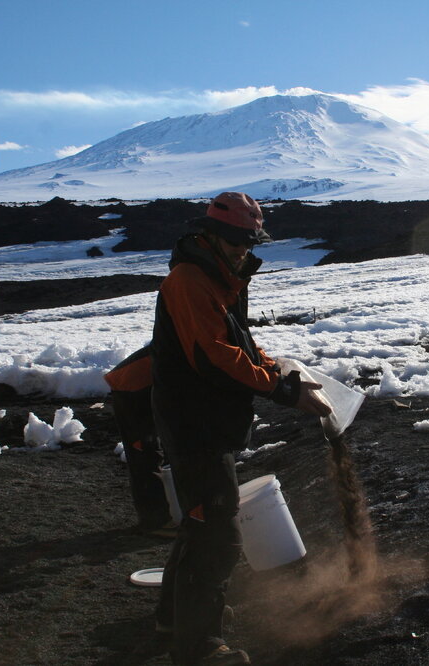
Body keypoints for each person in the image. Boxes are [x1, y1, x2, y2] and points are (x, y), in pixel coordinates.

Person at [150, 191, 330, 665]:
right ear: (211, 236)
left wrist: (281, 374)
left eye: (248, 243)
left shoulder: (219, 277)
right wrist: (283, 392)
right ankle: (199, 649)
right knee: (216, 535)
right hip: (194, 423)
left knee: (200, 524)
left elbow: (240, 342)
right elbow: (215, 356)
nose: (243, 250)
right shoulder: (189, 280)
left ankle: (171, 620)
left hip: (206, 419)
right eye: (235, 242)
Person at [104, 345, 175, 537]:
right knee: (145, 452)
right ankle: (154, 522)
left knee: (153, 449)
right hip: (131, 389)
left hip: (146, 383)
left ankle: (164, 514)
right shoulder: (192, 340)